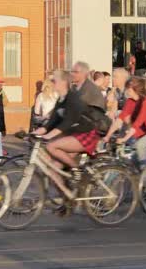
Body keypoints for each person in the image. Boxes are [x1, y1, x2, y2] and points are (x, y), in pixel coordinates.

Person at [33, 70, 98, 203]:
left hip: (86, 134)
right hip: (73, 136)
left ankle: (77, 169)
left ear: (63, 82)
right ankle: (68, 195)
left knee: (52, 145)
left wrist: (48, 136)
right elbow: (52, 121)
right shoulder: (61, 99)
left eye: (54, 80)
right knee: (52, 169)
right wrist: (36, 133)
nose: (52, 83)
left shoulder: (73, 98)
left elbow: (68, 121)